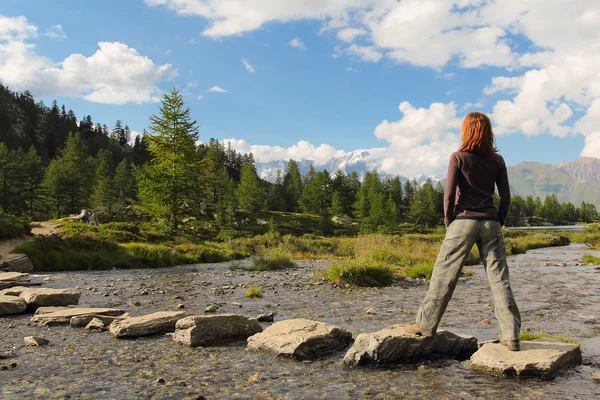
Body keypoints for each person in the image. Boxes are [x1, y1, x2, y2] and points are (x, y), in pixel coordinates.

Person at [405, 112, 521, 351]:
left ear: (466, 131)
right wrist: (498, 219)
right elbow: (506, 197)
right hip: (490, 222)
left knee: (444, 274)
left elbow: (449, 194)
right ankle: (511, 336)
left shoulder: (458, 157)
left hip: (463, 221)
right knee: (499, 278)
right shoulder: (497, 161)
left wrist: (449, 221)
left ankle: (426, 325)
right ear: (488, 132)